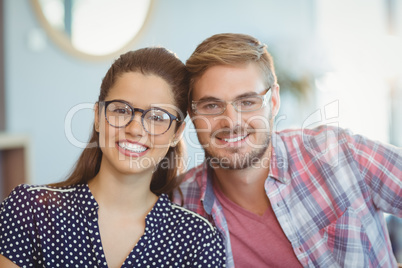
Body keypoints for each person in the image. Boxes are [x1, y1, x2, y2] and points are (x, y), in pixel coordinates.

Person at [173, 33, 402, 268]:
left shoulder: (340, 152)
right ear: (192, 114)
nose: (231, 122)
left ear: (273, 102)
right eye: (211, 106)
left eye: (248, 102)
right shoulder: (179, 204)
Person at [0, 47, 226, 268]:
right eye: (121, 110)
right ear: (98, 117)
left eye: (157, 117)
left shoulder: (198, 240)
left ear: (176, 134)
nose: (135, 129)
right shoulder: (29, 211)